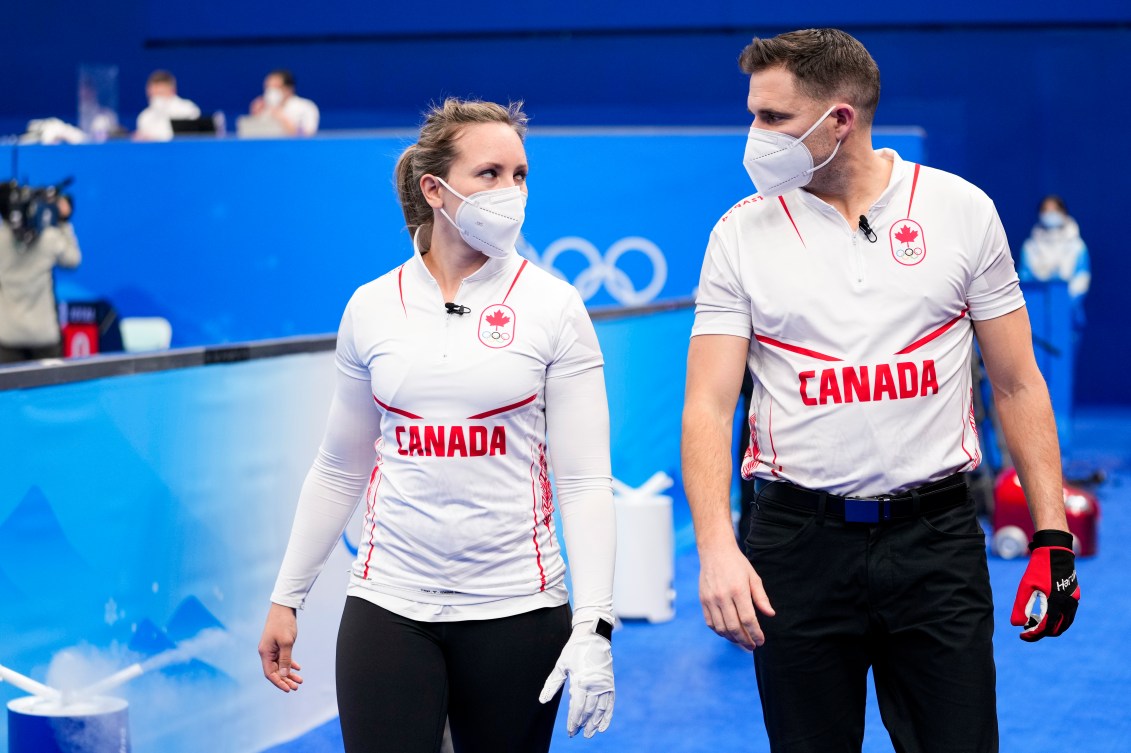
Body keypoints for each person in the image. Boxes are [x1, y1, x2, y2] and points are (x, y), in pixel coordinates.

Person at [681, 28, 1079, 752]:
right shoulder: (737, 234)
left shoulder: (959, 210)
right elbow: (707, 403)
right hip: (795, 546)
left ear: (839, 119)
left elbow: (1018, 382)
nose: (753, 136)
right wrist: (715, 543)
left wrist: (1050, 533)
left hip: (935, 541)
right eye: (753, 114)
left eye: (772, 118)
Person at [258, 97, 616, 752]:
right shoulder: (370, 307)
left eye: (520, 174)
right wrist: (288, 596)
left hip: (519, 610)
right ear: (435, 189)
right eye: (490, 174)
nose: (511, 192)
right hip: (388, 607)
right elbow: (339, 467)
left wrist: (594, 624)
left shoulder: (554, 307)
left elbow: (587, 481)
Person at [0, 187, 81, 363]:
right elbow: (73, 259)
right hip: (43, 337)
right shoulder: (49, 237)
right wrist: (63, 221)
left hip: (7, 337)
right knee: (52, 391)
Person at [1018, 194, 1090, 331]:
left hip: (1067, 312)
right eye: (1046, 210)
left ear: (1064, 212)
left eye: (1054, 210)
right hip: (1036, 311)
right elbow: (1024, 279)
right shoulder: (1030, 247)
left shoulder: (1077, 247)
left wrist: (1063, 302)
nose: (1050, 214)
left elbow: (1082, 279)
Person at [135, 70, 201, 142]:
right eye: (153, 94)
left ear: (172, 90)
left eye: (161, 93)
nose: (156, 98)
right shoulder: (144, 116)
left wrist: (155, 137)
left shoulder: (188, 109)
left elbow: (192, 136)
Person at [248, 69, 320, 136]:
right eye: (268, 87)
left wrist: (282, 118)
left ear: (289, 88)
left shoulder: (306, 107)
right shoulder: (263, 108)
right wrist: (254, 116)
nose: (271, 91)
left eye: (275, 87)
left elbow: (308, 135)